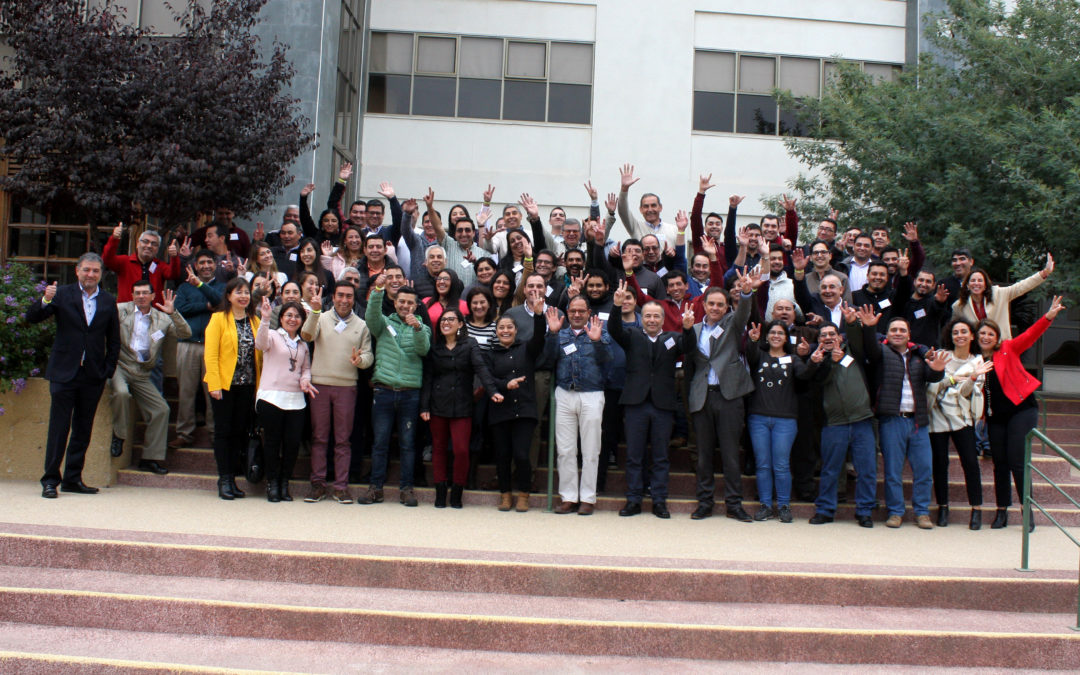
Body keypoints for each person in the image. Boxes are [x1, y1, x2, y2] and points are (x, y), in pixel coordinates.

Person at [27, 254, 120, 498]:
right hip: (63, 372)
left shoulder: (109, 300)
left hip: (92, 375)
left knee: (82, 429)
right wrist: (45, 300)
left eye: (95, 271)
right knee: (59, 428)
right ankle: (50, 480)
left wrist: (107, 371)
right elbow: (32, 317)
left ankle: (72, 478)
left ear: (101, 274)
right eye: (87, 270)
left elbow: (114, 340)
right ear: (77, 271)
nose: (91, 275)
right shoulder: (62, 294)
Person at [978, 295, 1066, 531]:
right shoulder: (975, 361)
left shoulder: (1007, 349)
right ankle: (1001, 511)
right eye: (982, 334)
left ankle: (1027, 511)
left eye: (990, 334)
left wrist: (1048, 316)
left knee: (1017, 461)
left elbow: (1030, 336)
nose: (986, 337)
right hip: (995, 416)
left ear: (997, 338)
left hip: (1022, 410)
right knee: (1000, 463)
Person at [608, 281, 691, 519]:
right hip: (636, 404)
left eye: (656, 316)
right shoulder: (632, 335)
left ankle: (659, 500)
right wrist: (616, 306)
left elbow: (690, 347)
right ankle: (633, 499)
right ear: (641, 318)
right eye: (648, 316)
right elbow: (614, 329)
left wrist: (687, 329)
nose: (652, 320)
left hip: (663, 405)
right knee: (634, 455)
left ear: (663, 319)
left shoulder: (673, 338)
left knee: (661, 456)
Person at [864, 313, 950, 529]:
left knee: (923, 470)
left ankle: (922, 512)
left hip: (918, 421)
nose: (898, 333)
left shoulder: (918, 355)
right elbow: (869, 348)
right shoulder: (881, 352)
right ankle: (895, 512)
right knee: (893, 471)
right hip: (891, 420)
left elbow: (931, 377)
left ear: (909, 335)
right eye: (894, 330)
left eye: (902, 330)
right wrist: (868, 328)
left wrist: (938, 371)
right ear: (887, 333)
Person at [682, 271, 756, 521]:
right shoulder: (693, 329)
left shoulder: (732, 324)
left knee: (730, 454)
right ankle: (705, 502)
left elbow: (744, 312)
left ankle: (734, 504)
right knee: (703, 455)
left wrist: (746, 293)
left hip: (729, 397)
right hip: (703, 397)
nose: (715, 308)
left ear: (726, 307)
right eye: (711, 303)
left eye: (720, 304)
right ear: (703, 305)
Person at [359, 279, 432, 506]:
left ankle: (407, 489)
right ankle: (375, 488)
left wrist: (418, 328)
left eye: (410, 303)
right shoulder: (383, 323)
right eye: (401, 301)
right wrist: (379, 291)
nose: (405, 306)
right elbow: (371, 317)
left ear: (416, 305)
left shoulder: (423, 327)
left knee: (408, 444)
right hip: (384, 391)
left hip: (410, 394)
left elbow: (423, 349)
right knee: (380, 442)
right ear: (395, 302)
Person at [300, 282, 373, 504]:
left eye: (348, 296)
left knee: (343, 439)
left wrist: (360, 361)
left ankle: (341, 487)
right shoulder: (320, 317)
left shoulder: (361, 325)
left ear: (354, 299)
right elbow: (307, 335)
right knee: (319, 437)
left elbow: (369, 355)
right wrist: (314, 312)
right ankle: (318, 484)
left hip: (347, 387)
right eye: (340, 295)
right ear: (333, 297)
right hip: (320, 385)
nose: (344, 300)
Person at [109, 282, 192, 475]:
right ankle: (119, 436)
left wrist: (173, 313)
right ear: (132, 295)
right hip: (119, 365)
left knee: (161, 410)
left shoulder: (162, 319)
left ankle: (149, 458)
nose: (141, 296)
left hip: (142, 372)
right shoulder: (120, 311)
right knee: (121, 393)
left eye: (145, 293)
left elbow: (185, 333)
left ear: (153, 296)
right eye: (137, 293)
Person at [744, 320, 819, 523]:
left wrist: (813, 361)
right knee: (762, 464)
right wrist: (752, 340)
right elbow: (749, 355)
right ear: (766, 336)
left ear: (786, 338)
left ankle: (784, 505)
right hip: (758, 417)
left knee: (781, 465)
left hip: (785, 419)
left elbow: (804, 375)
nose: (776, 336)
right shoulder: (759, 355)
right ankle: (766, 505)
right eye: (772, 332)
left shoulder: (793, 359)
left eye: (780, 333)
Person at [420, 308, 496, 509]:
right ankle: (440, 490)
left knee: (461, 450)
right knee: (438, 449)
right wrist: (424, 405)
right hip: (437, 404)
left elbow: (481, 368)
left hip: (462, 405)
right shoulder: (434, 348)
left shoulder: (470, 345)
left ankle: (457, 491)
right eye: (443, 320)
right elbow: (428, 378)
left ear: (461, 324)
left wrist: (492, 390)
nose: (446, 322)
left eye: (451, 319)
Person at [807, 314, 877, 527]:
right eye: (823, 335)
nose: (828, 338)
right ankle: (826, 510)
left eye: (831, 334)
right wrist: (830, 363)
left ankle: (865, 511)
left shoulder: (853, 351)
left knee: (867, 468)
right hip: (833, 423)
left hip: (862, 420)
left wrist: (853, 323)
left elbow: (857, 336)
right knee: (830, 469)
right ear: (819, 339)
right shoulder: (817, 359)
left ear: (839, 336)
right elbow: (818, 382)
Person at [547, 296, 612, 515]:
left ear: (588, 312)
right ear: (567, 312)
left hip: (592, 394)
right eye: (573, 310)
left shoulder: (599, 331)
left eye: (581, 311)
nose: (576, 314)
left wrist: (596, 341)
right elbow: (547, 359)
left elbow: (608, 359)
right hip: (565, 393)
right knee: (565, 449)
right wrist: (552, 334)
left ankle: (587, 498)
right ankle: (568, 496)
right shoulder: (560, 333)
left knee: (591, 448)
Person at [928, 318, 993, 529]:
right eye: (956, 332)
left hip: (963, 419)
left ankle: (976, 509)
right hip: (937, 418)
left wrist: (972, 378)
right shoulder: (941, 356)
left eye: (964, 332)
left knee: (971, 464)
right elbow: (932, 388)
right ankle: (943, 507)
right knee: (940, 465)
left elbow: (965, 395)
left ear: (972, 336)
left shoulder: (978, 362)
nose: (960, 336)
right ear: (951, 336)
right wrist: (956, 379)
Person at [485, 306, 550, 512]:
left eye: (509, 327)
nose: (505, 330)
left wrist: (539, 316)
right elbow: (489, 380)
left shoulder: (527, 349)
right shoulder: (490, 354)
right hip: (500, 410)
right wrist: (506, 385)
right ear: (496, 332)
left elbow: (540, 336)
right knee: (503, 455)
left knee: (522, 454)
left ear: (516, 330)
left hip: (524, 410)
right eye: (501, 327)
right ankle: (505, 495)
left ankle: (523, 494)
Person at [203, 277, 262, 500]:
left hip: (247, 386)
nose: (243, 296)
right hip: (224, 386)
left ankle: (234, 479)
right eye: (238, 292)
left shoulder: (254, 320)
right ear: (228, 296)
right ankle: (224, 478)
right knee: (223, 432)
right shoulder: (218, 319)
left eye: (246, 292)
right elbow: (211, 354)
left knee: (239, 433)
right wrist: (215, 384)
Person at [255, 297, 318, 502]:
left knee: (291, 445)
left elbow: (305, 368)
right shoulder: (272, 335)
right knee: (273, 442)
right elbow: (260, 344)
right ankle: (272, 483)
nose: (292, 319)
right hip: (272, 397)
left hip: (295, 400)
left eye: (297, 316)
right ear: (281, 318)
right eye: (288, 315)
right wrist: (265, 319)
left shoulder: (302, 344)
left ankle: (284, 482)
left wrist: (305, 380)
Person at [172, 251, 224, 448]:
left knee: (213, 392)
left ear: (215, 264)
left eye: (209, 262)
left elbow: (221, 303)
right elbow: (179, 308)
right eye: (201, 262)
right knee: (186, 392)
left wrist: (202, 288)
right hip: (188, 344)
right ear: (195, 265)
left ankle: (214, 433)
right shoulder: (184, 287)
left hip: (214, 347)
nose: (205, 266)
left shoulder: (222, 287)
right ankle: (184, 434)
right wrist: (205, 305)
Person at [952, 254, 1053, 341]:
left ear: (986, 284)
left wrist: (1044, 273)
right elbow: (954, 330)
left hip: (1001, 347)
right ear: (967, 285)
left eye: (980, 280)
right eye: (973, 281)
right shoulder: (959, 306)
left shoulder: (999, 294)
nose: (976, 284)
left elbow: (1021, 287)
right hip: (976, 352)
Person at [102, 224, 186, 305]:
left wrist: (174, 257)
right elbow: (107, 259)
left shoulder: (159, 266)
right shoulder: (125, 262)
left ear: (157, 249)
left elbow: (173, 274)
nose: (149, 246)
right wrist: (114, 239)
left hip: (152, 314)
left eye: (154, 244)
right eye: (145, 242)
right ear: (138, 244)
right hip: (127, 313)